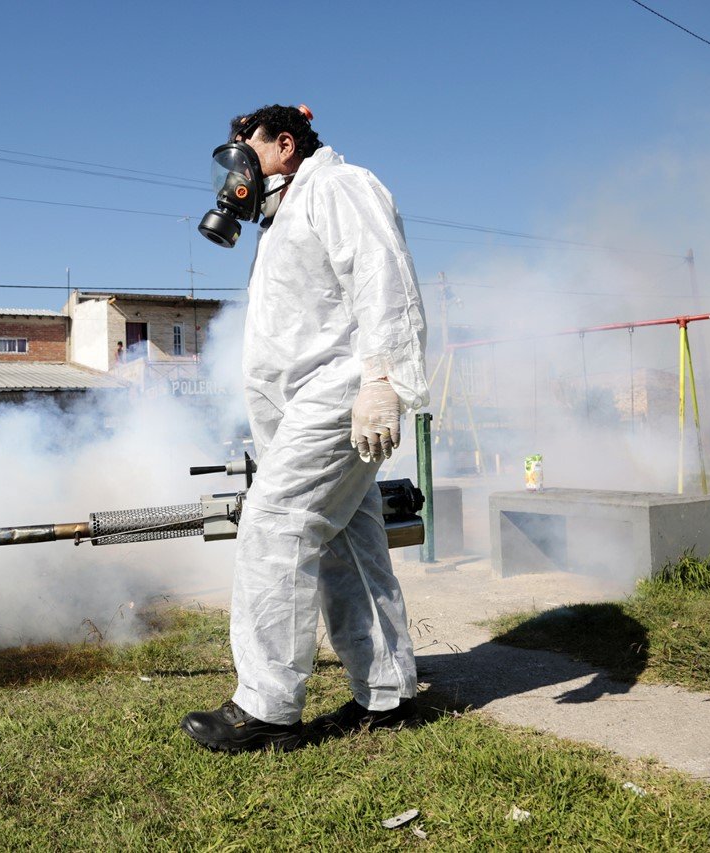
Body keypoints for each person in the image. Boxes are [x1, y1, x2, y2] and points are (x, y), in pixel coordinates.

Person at [181, 104, 429, 752]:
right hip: (313, 405)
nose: (236, 167)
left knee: (275, 522)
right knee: (351, 546)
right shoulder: (283, 214)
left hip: (343, 392)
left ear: (285, 145)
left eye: (249, 148)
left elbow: (382, 273)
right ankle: (389, 693)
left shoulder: (337, 186)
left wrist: (382, 377)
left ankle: (266, 708)